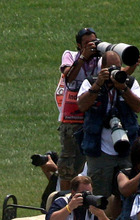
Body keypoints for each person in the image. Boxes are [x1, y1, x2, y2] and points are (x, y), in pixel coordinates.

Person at [77, 51, 140, 216]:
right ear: (102, 68)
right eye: (111, 68)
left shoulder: (129, 82)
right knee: (99, 196)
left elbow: (138, 106)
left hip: (126, 149)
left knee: (125, 193)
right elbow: (82, 105)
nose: (115, 70)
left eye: (117, 67)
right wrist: (97, 86)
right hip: (99, 149)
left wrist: (123, 88)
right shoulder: (91, 82)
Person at [57, 28, 102, 191]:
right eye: (87, 44)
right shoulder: (70, 55)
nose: (92, 46)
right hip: (71, 120)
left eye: (94, 42)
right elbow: (68, 78)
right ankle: (64, 197)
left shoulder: (101, 59)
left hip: (92, 118)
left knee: (89, 161)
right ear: (79, 45)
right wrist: (83, 57)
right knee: (68, 164)